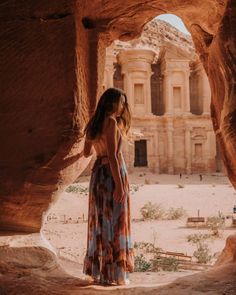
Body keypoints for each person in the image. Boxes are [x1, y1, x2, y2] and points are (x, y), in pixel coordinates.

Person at [82, 87, 134, 285]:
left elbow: (87, 153)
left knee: (101, 222)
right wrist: (120, 186)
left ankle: (102, 272)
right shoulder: (111, 122)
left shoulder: (93, 123)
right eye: (121, 102)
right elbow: (113, 156)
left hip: (98, 176)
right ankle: (115, 274)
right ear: (112, 103)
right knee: (116, 222)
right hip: (112, 175)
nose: (123, 106)